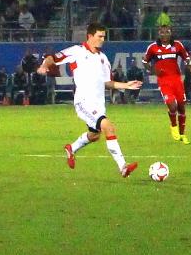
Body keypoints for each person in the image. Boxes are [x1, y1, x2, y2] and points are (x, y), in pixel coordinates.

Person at [41, 22, 146, 178]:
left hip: (98, 104)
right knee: (108, 126)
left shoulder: (103, 58)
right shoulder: (77, 51)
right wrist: (44, 65)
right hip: (83, 102)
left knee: (95, 135)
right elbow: (53, 58)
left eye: (104, 37)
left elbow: (107, 83)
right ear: (90, 36)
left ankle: (71, 148)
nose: (102, 39)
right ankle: (123, 166)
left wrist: (126, 85)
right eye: (100, 36)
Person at [144, 25, 191, 144]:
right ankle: (173, 126)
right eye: (162, 32)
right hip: (164, 81)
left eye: (167, 32)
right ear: (159, 34)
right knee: (172, 106)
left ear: (171, 33)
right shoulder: (153, 47)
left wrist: (189, 65)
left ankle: (182, 135)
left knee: (181, 107)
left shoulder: (177, 45)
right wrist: (153, 71)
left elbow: (186, 58)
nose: (165, 34)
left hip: (177, 80)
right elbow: (145, 62)